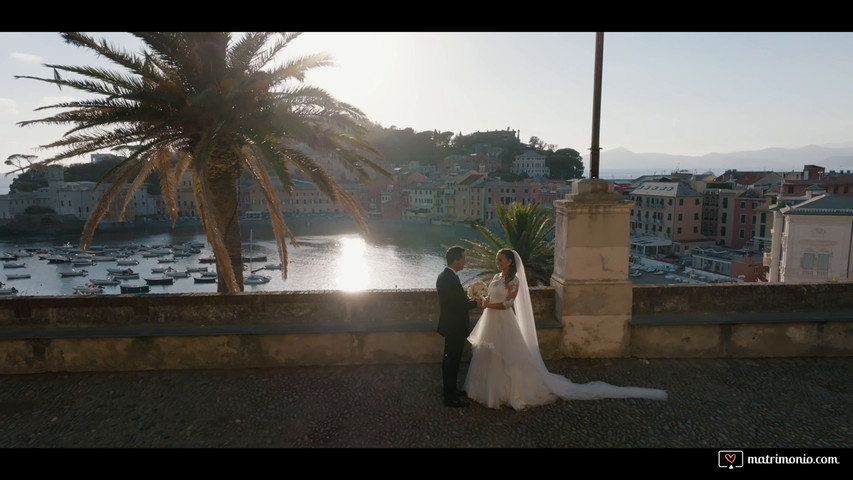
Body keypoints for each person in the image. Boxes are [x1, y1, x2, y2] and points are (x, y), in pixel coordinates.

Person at [464, 248, 668, 410]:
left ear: (509, 261)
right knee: (489, 352)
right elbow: (493, 297)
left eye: (500, 259)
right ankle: (484, 390)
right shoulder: (496, 276)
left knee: (507, 355)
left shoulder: (514, 281)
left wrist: (487, 305)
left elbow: (508, 304)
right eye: (497, 259)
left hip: (504, 321)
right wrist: (483, 300)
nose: (497, 262)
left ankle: (507, 393)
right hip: (490, 319)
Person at [436, 245, 484, 408]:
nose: (465, 261)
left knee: (453, 360)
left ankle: (452, 389)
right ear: (456, 260)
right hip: (453, 326)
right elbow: (456, 305)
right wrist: (475, 303)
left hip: (452, 325)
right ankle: (449, 398)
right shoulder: (449, 278)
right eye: (463, 258)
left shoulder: (447, 276)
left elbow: (455, 302)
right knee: (451, 360)